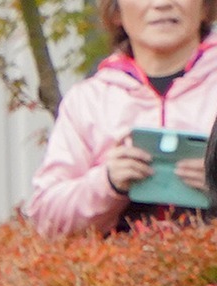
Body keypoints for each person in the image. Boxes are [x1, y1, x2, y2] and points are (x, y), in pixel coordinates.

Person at [26, 0, 217, 236]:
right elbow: (46, 218)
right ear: (116, 11)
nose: (162, 4)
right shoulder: (89, 101)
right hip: (116, 269)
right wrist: (107, 183)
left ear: (206, 7)